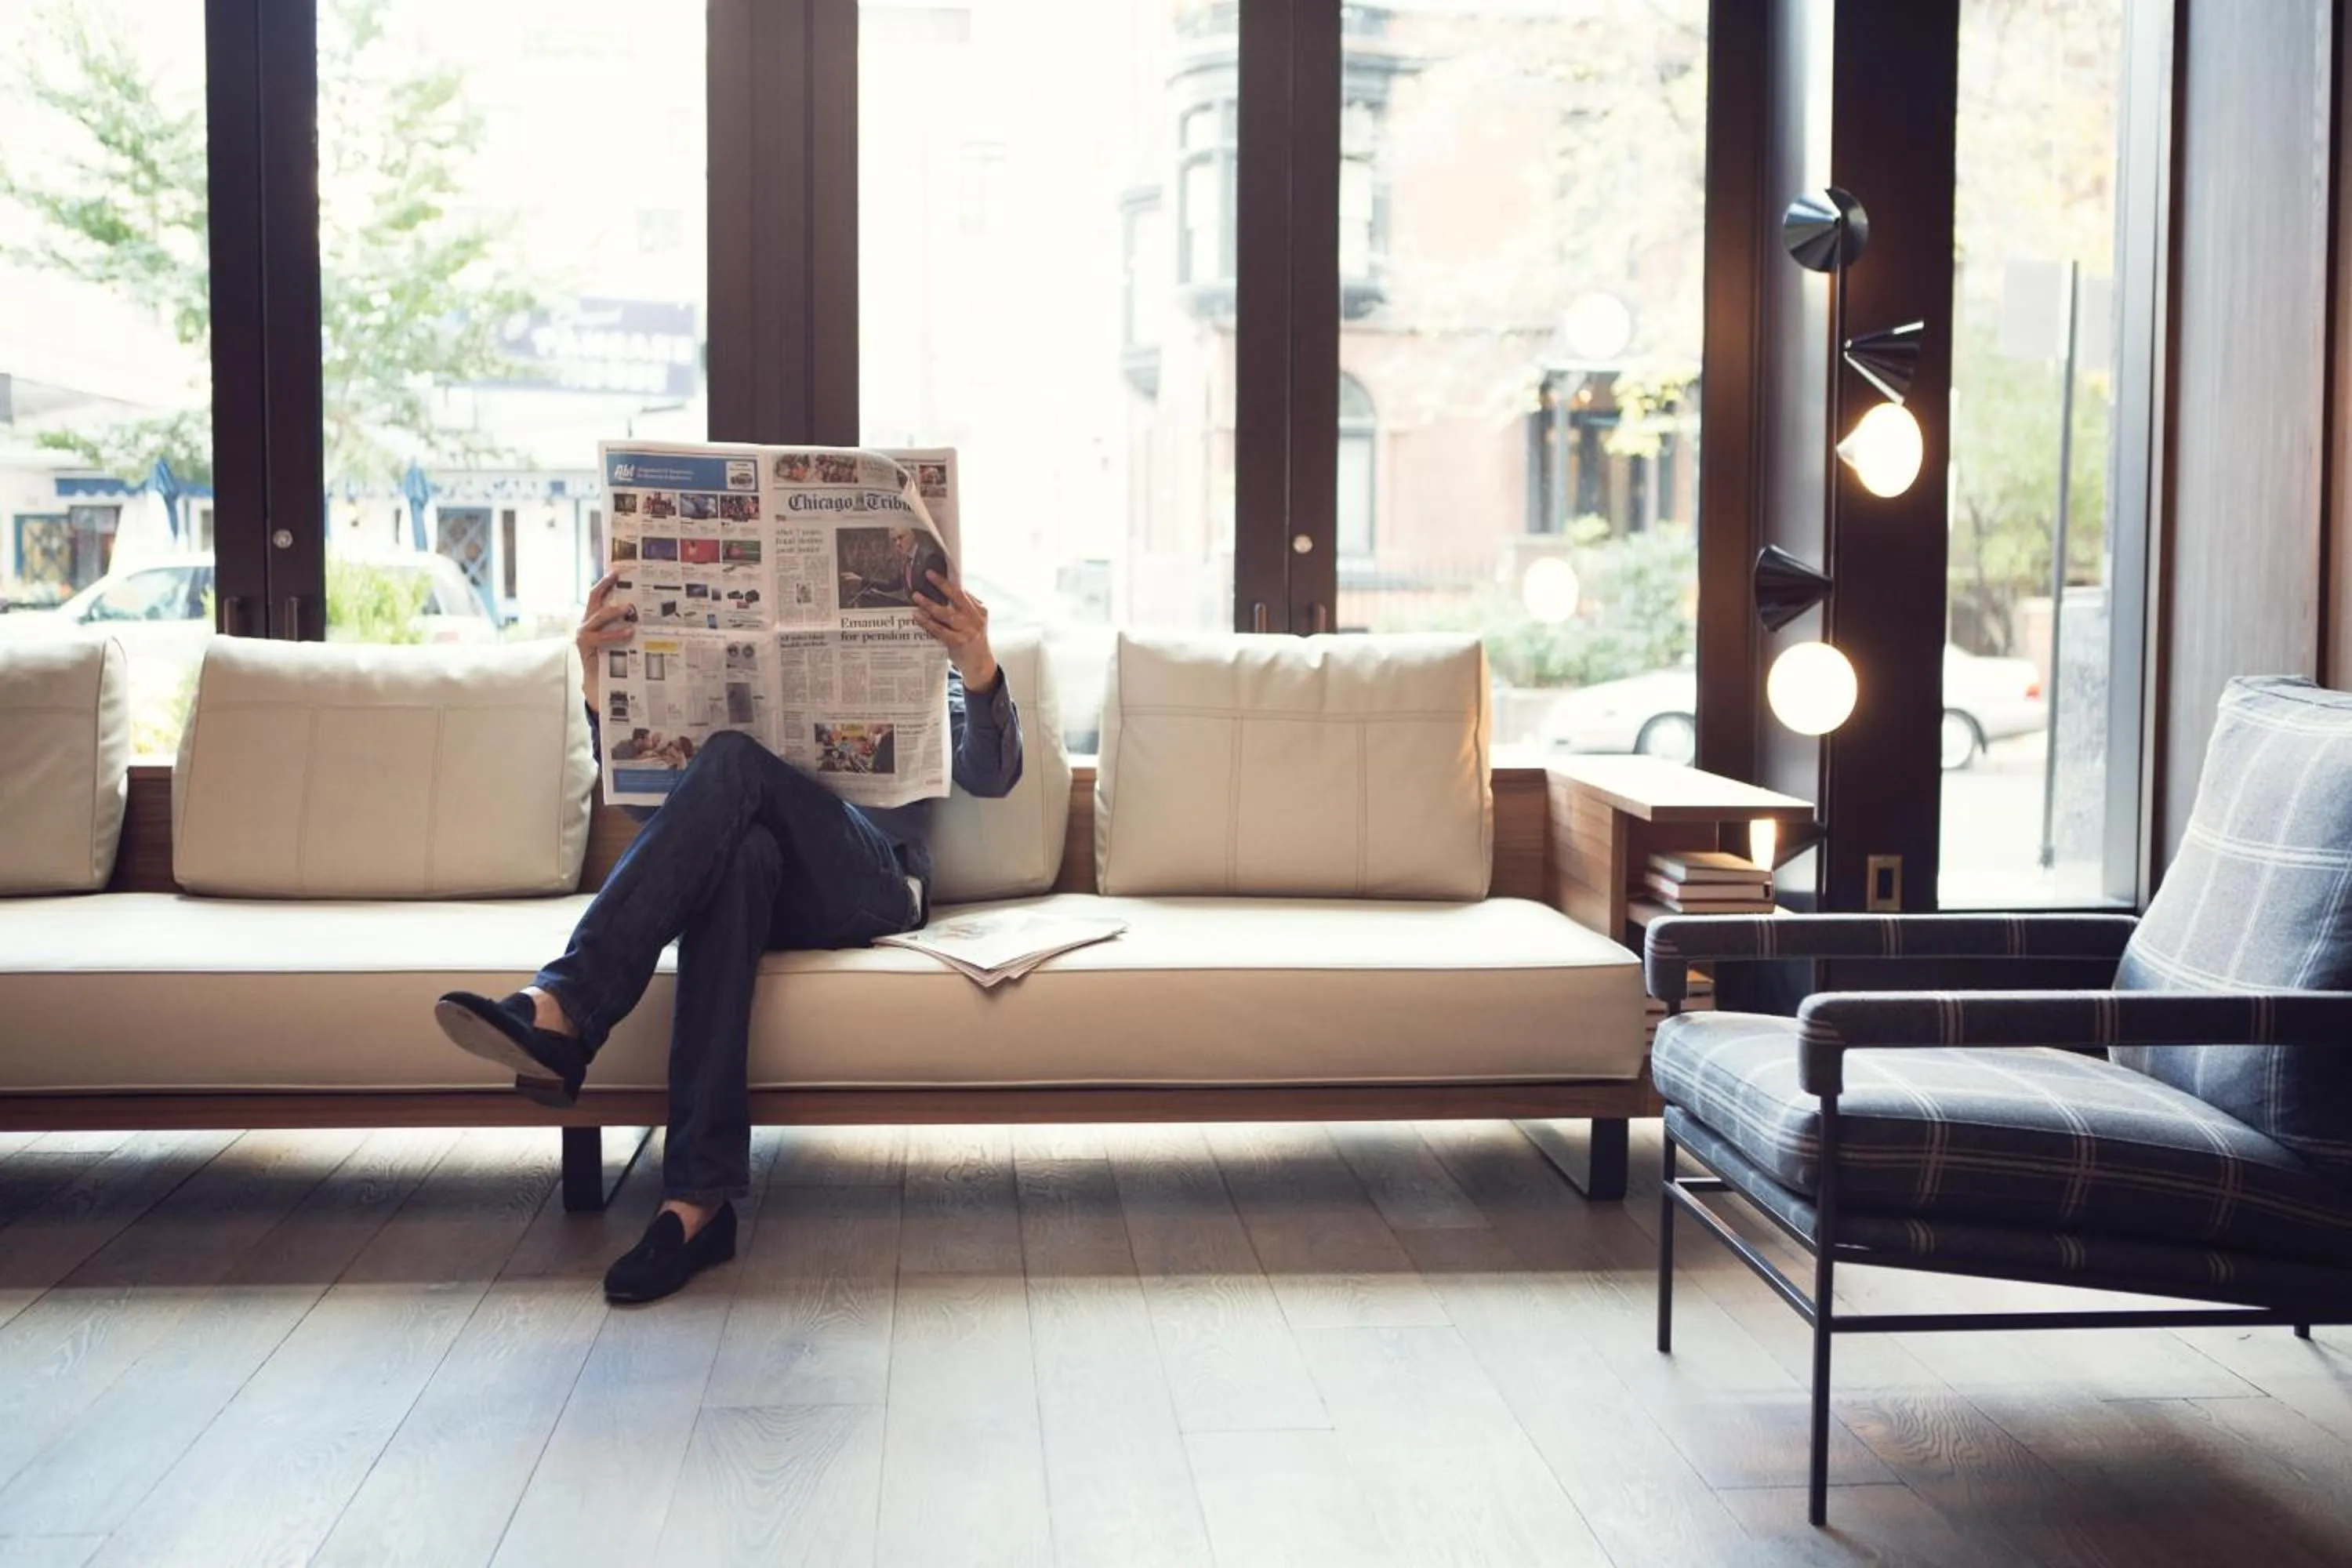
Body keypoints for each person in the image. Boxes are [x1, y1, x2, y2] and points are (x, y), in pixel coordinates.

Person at [431, 566, 1022, 1304]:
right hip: (767, 878)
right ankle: (696, 1206)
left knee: (734, 758)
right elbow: (667, 826)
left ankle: (567, 1008)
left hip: (874, 884)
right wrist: (600, 690)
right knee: (738, 854)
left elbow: (994, 778)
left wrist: (976, 667)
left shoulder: (920, 673)